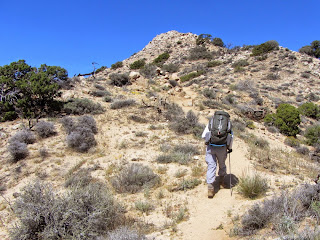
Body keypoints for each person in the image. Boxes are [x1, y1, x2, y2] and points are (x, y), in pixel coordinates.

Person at [201, 111, 233, 198]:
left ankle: (210, 187)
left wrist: (210, 140)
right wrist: (229, 148)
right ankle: (221, 182)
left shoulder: (211, 122)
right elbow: (231, 137)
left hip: (211, 147)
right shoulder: (228, 123)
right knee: (222, 164)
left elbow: (203, 135)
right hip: (222, 148)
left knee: (211, 165)